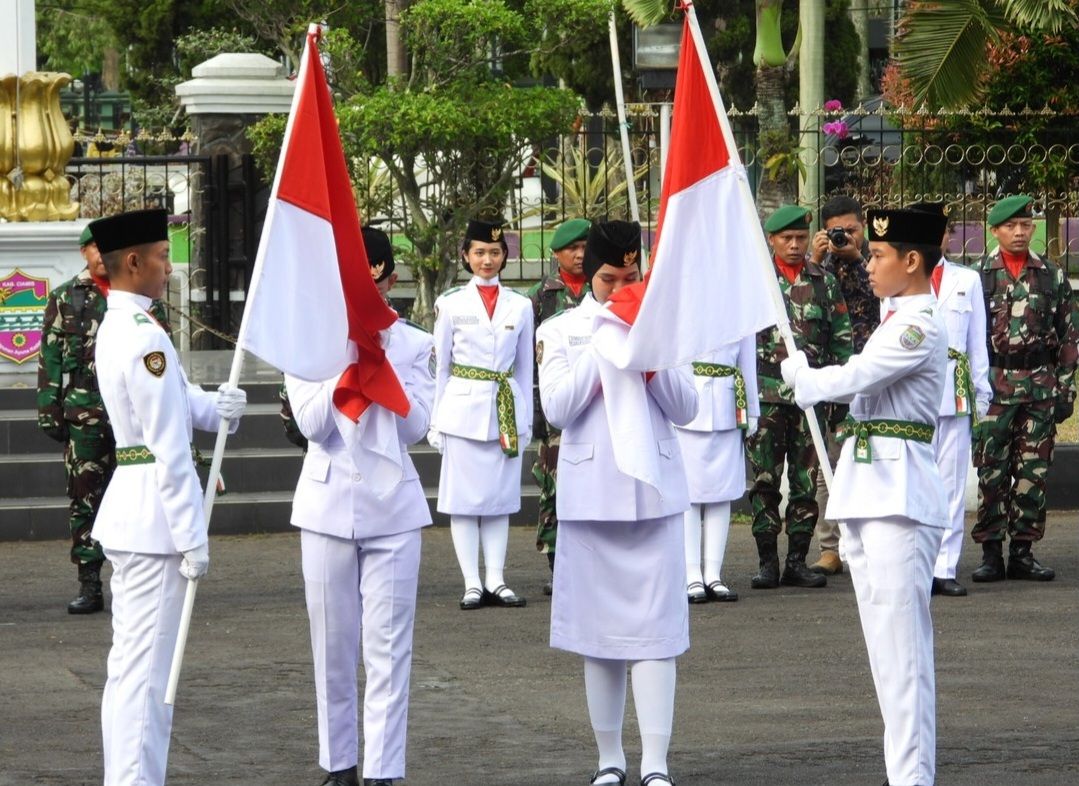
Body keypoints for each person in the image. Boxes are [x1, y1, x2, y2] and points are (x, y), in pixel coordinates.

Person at [781, 206, 951, 786]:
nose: (870, 264)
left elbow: (857, 375)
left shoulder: (917, 324)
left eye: (879, 256)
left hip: (898, 499)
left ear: (912, 261)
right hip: (870, 492)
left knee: (902, 659)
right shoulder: (892, 316)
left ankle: (912, 778)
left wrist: (805, 378)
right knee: (886, 655)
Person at [537, 219, 697, 786]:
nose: (620, 286)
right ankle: (609, 758)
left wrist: (647, 353)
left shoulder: (660, 323)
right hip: (591, 495)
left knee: (656, 633)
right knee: (598, 635)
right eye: (609, 278)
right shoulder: (561, 330)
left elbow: (687, 407)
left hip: (651, 495)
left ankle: (656, 762)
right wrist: (607, 335)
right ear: (588, 276)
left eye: (630, 276)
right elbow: (557, 407)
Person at [90, 209, 246, 786]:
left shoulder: (125, 327)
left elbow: (174, 406)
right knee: (147, 678)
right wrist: (192, 536)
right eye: (160, 254)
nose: (169, 264)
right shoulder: (143, 336)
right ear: (131, 263)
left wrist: (215, 406)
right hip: (155, 518)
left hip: (137, 509)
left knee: (133, 670)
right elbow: (167, 449)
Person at [286, 227, 434, 786]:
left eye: (374, 287)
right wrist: (351, 366)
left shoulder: (415, 343)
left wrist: (382, 367)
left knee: (389, 648)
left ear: (390, 282)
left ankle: (383, 769)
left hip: (392, 509)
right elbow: (311, 424)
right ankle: (338, 763)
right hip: (326, 505)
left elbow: (418, 425)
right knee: (332, 646)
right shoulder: (311, 343)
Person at [36, 225, 170, 614]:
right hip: (85, 412)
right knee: (85, 497)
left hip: (130, 414)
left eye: (103, 246)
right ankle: (90, 581)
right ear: (83, 252)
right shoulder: (65, 297)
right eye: (92, 246)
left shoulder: (138, 296)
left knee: (138, 490)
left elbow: (163, 359)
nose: (98, 253)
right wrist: (50, 409)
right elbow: (50, 358)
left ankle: (140, 572)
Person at [970, 195, 1079, 582]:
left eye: (1025, 225)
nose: (1019, 232)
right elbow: (965, 338)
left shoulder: (1051, 275)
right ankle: (990, 553)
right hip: (993, 390)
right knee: (991, 472)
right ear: (995, 230)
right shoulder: (977, 277)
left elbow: (1069, 337)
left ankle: (1022, 551)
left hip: (1038, 388)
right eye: (1011, 226)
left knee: (1032, 473)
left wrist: (1065, 389)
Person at [428, 218, 533, 610]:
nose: (487, 260)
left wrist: (524, 418)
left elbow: (525, 369)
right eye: (479, 252)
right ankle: (472, 581)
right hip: (462, 410)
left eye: (494, 252)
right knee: (463, 501)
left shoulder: (520, 305)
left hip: (504, 409)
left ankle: (497, 578)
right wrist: (436, 420)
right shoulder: (451, 303)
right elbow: (441, 367)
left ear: (505, 255)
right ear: (465, 256)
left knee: (500, 500)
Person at [748, 204, 852, 590]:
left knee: (806, 483)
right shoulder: (757, 282)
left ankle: (796, 560)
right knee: (765, 481)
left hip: (811, 398)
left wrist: (841, 401)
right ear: (771, 241)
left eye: (800, 238)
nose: (794, 245)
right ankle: (767, 562)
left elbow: (842, 342)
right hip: (767, 397)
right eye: (786, 238)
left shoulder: (824, 282)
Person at [907, 202, 991, 597]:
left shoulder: (967, 280)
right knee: (916, 483)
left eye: (938, 231)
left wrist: (982, 393)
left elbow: (978, 344)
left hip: (955, 393)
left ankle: (945, 565)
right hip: (916, 395)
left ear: (947, 236)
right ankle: (917, 566)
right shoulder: (901, 281)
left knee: (952, 483)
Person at [808, 195, 879, 576]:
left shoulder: (880, 260)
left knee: (873, 461)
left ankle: (868, 546)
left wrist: (857, 258)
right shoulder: (818, 267)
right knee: (828, 465)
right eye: (836, 231)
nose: (843, 236)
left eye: (850, 230)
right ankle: (830, 548)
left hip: (874, 377)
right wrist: (816, 262)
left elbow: (890, 300)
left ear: (862, 226)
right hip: (834, 377)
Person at [526, 217, 590, 594]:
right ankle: (557, 566)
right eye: (572, 249)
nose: (580, 255)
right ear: (555, 254)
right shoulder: (541, 297)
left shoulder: (601, 292)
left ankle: (590, 564)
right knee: (553, 489)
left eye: (585, 248)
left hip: (595, 409)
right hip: (555, 417)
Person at [675, 334, 758, 603]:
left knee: (722, 492)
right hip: (688, 403)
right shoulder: (681, 296)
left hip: (727, 404)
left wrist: (753, 410)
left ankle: (713, 573)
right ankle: (691, 574)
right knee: (689, 495)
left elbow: (747, 357)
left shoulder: (739, 300)